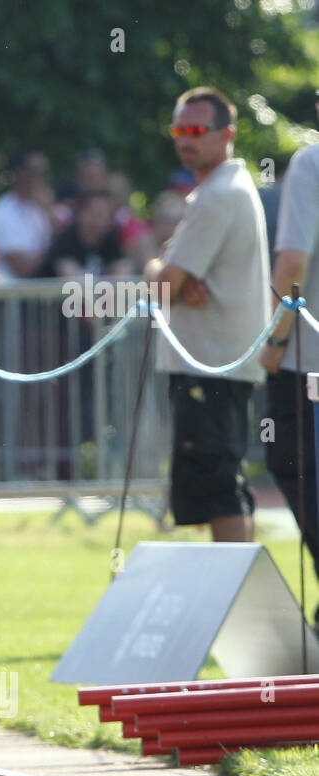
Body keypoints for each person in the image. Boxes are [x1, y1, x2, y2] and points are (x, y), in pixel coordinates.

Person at [143, 86, 270, 543]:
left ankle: (235, 603)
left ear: (227, 135)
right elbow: (173, 284)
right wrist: (170, 275)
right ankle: (241, 599)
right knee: (226, 482)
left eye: (197, 129)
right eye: (180, 129)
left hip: (211, 365)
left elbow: (161, 286)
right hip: (221, 363)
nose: (185, 138)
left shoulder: (216, 195)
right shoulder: (230, 187)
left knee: (219, 488)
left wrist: (156, 265)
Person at [259, 90, 319, 614]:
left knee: (294, 465)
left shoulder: (311, 162)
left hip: (308, 361)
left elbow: (291, 264)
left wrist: (275, 340)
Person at [0, 147, 53, 278]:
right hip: (10, 294)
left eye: (44, 172)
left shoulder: (42, 207)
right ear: (18, 172)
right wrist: (56, 248)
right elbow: (23, 269)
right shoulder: (3, 212)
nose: (40, 178)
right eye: (34, 171)